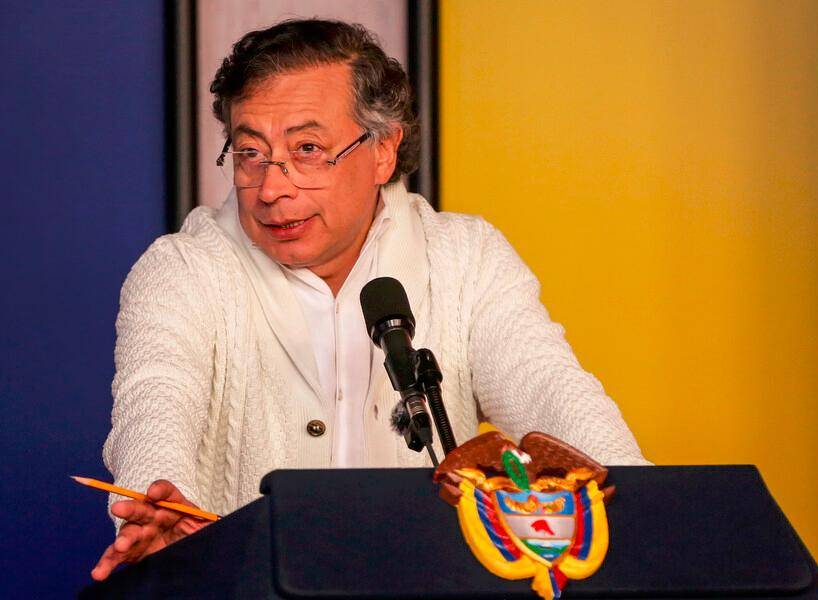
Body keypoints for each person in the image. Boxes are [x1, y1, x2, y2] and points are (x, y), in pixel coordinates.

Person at [91, 18, 648, 582]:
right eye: (250, 153)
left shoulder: (466, 258)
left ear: (383, 149)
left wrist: (647, 514)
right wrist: (158, 503)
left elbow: (548, 387)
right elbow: (154, 402)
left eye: (308, 149)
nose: (272, 188)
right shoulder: (183, 269)